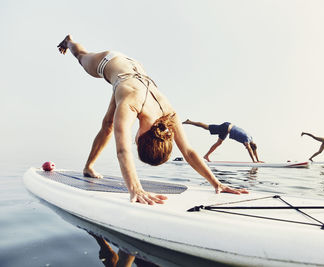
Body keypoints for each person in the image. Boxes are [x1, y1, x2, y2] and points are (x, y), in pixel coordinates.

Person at [57, 35, 248, 205]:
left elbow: (189, 152)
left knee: (108, 125)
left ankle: (88, 167)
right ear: (140, 139)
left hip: (131, 72)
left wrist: (217, 183)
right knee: (82, 56)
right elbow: (122, 150)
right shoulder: (131, 104)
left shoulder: (169, 115)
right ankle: (69, 41)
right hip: (108, 62)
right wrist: (135, 189)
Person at [182, 119, 261, 162]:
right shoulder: (247, 139)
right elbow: (250, 150)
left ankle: (206, 156)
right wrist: (254, 161)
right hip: (226, 128)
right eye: (247, 147)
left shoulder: (250, 138)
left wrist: (258, 160)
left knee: (218, 142)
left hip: (228, 126)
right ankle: (190, 122)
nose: (246, 147)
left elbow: (253, 150)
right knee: (207, 127)